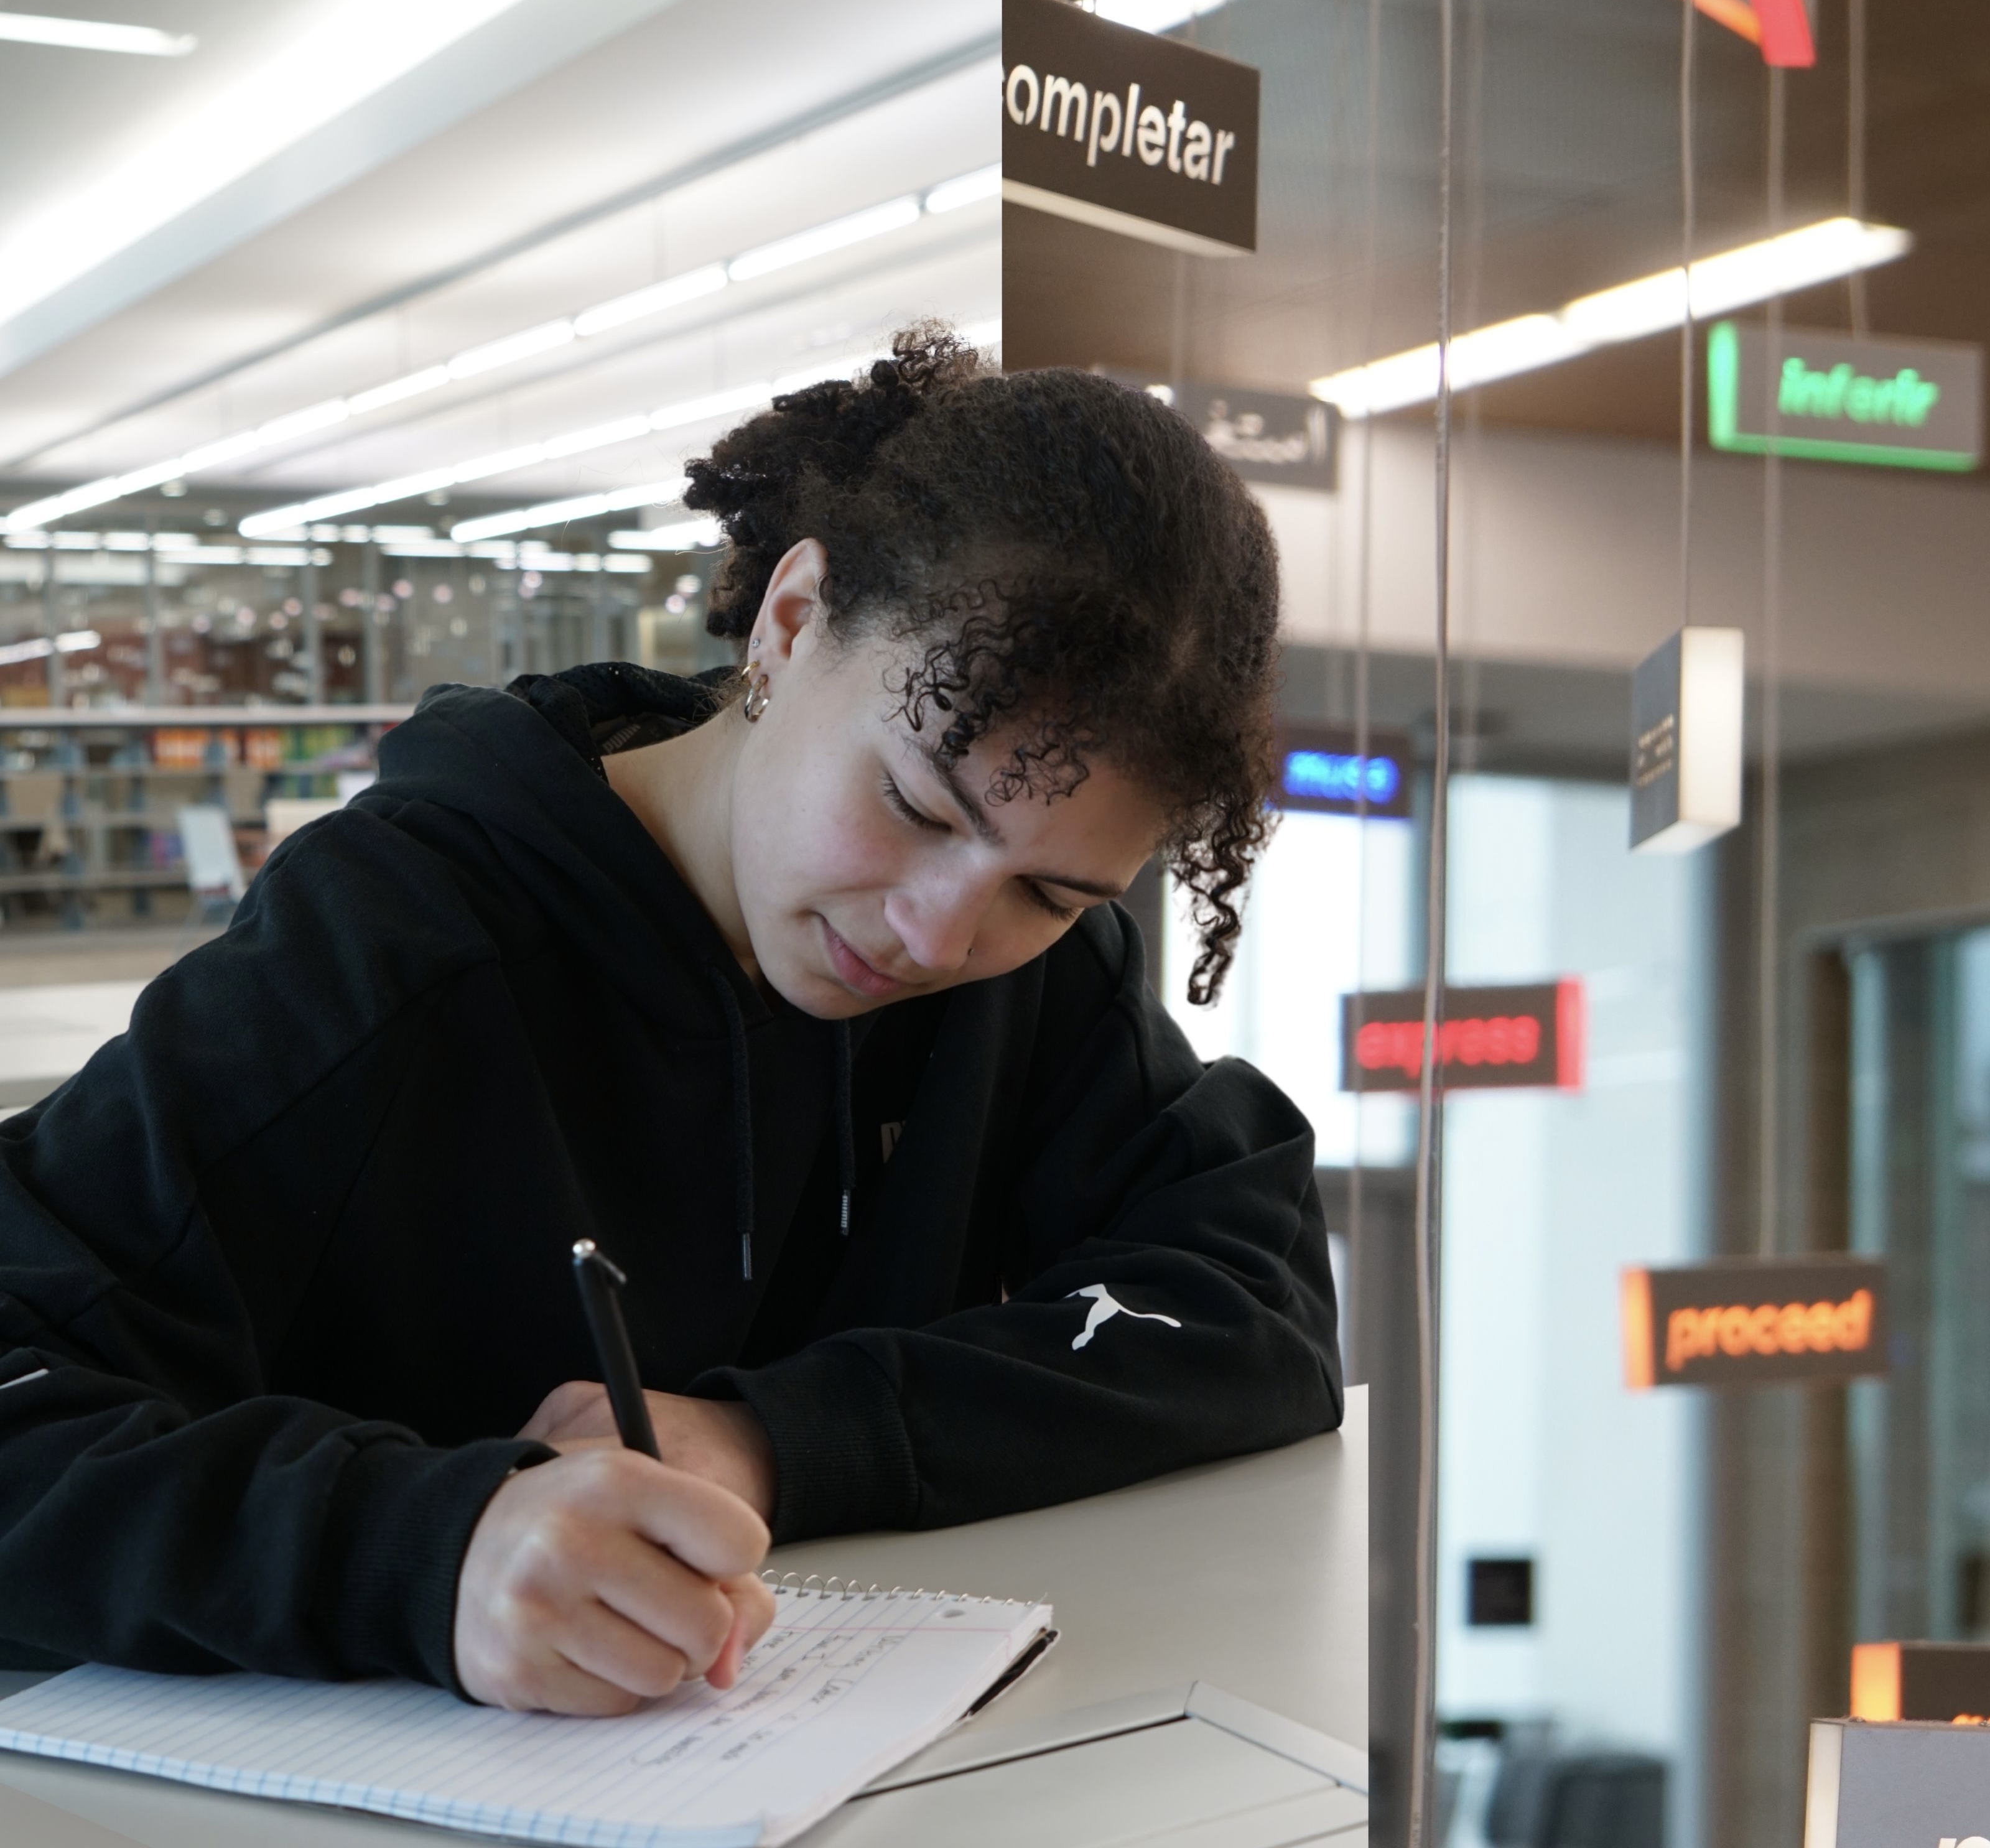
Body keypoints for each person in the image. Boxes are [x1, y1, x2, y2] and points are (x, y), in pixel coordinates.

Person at [0, 327, 1342, 1716]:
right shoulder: (392, 946)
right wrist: (426, 1553)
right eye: (917, 807)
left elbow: (1255, 1306)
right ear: (791, 622)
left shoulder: (1028, 972)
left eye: (1053, 890)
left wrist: (773, 1441)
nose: (941, 934)